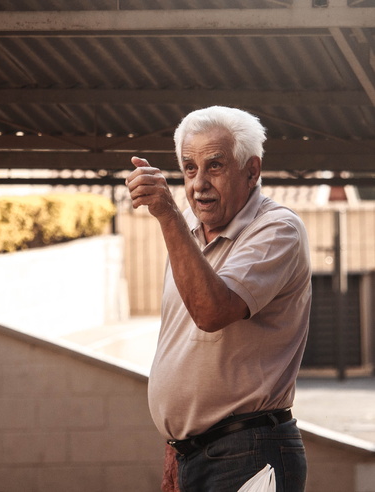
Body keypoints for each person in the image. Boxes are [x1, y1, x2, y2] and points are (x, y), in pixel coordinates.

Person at [125, 106, 311, 492]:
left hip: (248, 451)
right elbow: (183, 349)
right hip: (195, 452)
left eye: (215, 166)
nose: (199, 184)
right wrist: (177, 444)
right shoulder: (189, 236)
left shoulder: (278, 229)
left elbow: (212, 312)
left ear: (252, 170)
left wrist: (167, 216)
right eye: (190, 168)